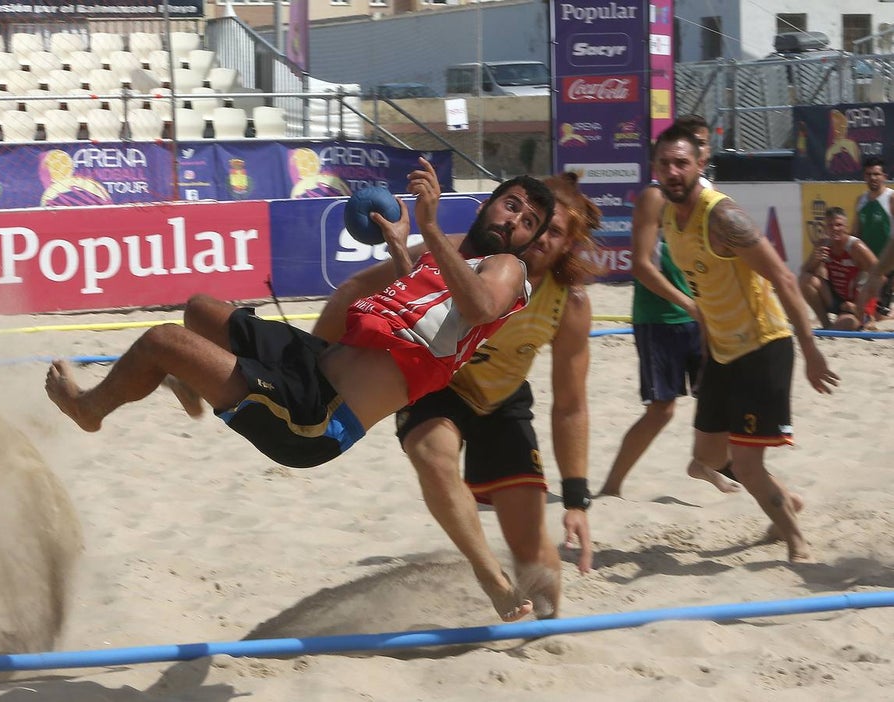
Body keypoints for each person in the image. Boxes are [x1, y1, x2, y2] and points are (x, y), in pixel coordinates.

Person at [45, 160, 555, 602]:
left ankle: (90, 409)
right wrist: (402, 247)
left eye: (527, 222)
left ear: (529, 243)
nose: (514, 221)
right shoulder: (456, 258)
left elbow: (479, 306)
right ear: (489, 204)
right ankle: (194, 382)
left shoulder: (507, 268)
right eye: (511, 206)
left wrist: (429, 226)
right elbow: (425, 304)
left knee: (163, 341)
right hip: (314, 363)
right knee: (200, 311)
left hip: (316, 416)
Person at [311, 172, 601, 621]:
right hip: (437, 385)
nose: (541, 237)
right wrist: (314, 360)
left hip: (501, 399)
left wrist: (577, 498)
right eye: (532, 223)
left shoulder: (569, 303)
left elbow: (570, 405)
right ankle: (488, 573)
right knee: (432, 453)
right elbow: (354, 290)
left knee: (533, 551)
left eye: (552, 231)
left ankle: (544, 631)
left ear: (565, 244)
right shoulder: (456, 252)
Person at [652, 123, 838, 563]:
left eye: (681, 163)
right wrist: (706, 344)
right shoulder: (668, 216)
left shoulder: (722, 217)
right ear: (655, 168)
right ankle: (784, 501)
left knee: (746, 464)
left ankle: (796, 542)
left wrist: (811, 351)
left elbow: (783, 277)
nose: (673, 171)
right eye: (664, 163)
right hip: (722, 351)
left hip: (762, 346)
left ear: (700, 164)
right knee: (707, 457)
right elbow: (703, 288)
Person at [600, 114, 739, 498]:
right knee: (662, 409)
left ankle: (704, 464)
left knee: (719, 399)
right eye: (685, 145)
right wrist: (691, 305)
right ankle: (611, 487)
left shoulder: (711, 197)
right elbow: (641, 266)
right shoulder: (656, 197)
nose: (694, 150)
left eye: (701, 143)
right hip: (661, 317)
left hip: (704, 315)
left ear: (703, 154)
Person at [800, 206, 878, 331]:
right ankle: (826, 324)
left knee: (845, 324)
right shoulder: (823, 244)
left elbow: (880, 276)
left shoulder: (856, 247)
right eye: (830, 225)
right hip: (837, 299)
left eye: (838, 225)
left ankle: (865, 319)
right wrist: (815, 260)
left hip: (856, 304)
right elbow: (805, 272)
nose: (834, 229)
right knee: (805, 279)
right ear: (825, 228)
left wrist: (859, 306)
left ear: (846, 227)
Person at [853, 156, 894, 317]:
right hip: (868, 265)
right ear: (864, 176)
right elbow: (855, 233)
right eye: (869, 174)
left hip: (887, 266)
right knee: (860, 312)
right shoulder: (861, 200)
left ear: (884, 176)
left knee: (878, 316)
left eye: (876, 174)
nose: (873, 178)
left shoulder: (891, 198)